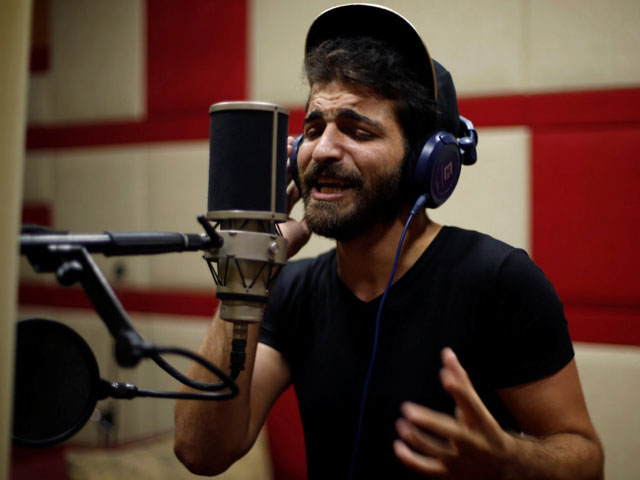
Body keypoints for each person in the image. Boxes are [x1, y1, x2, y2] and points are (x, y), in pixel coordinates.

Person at [174, 4, 604, 479]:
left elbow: (585, 457)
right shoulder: (285, 290)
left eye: (357, 130)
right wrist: (248, 264)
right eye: (314, 128)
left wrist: (511, 461)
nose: (323, 150)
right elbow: (202, 452)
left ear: (427, 160)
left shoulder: (499, 281)